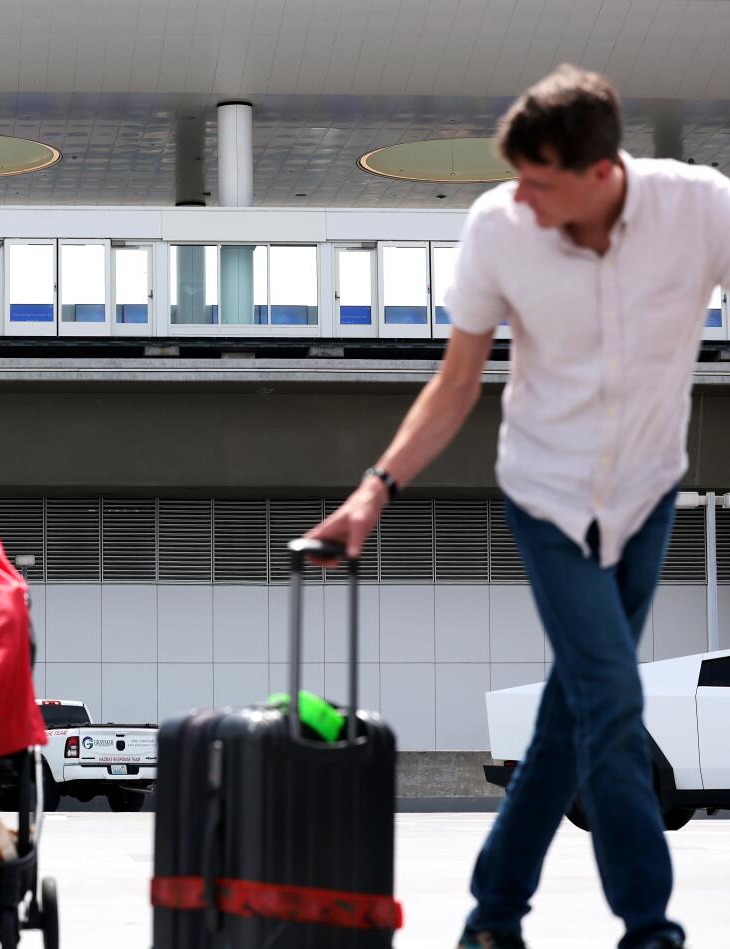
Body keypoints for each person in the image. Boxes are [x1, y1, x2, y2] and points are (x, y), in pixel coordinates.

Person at [307, 64, 707, 949]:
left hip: (647, 491)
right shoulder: (497, 228)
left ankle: (493, 916)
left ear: (601, 173)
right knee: (610, 698)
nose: (519, 198)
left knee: (571, 713)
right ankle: (651, 926)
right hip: (548, 496)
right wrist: (376, 490)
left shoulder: (699, 209)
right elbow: (455, 384)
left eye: (539, 181)